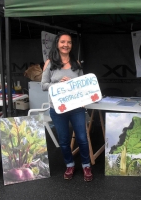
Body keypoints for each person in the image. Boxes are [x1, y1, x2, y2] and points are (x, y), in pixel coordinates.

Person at [41, 32, 92, 181]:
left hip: (76, 108)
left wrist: (83, 98)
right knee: (63, 140)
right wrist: (57, 84)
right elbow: (43, 86)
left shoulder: (76, 64)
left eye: (69, 42)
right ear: (57, 43)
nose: (66, 45)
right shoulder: (50, 63)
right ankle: (69, 165)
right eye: (63, 42)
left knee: (82, 138)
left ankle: (86, 165)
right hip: (58, 109)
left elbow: (82, 85)